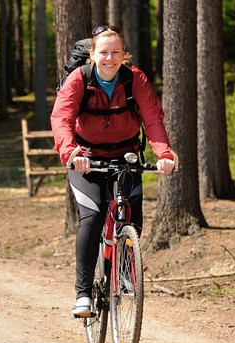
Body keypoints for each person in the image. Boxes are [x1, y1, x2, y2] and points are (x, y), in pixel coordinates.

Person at [49, 25, 176, 317]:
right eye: (103, 52)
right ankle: (83, 295)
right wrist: (71, 153)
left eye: (115, 52)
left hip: (125, 154)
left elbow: (153, 118)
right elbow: (62, 117)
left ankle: (125, 272)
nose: (109, 58)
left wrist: (164, 153)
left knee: (133, 214)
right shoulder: (78, 79)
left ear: (124, 55)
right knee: (92, 217)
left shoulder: (135, 79)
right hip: (86, 158)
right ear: (92, 54)